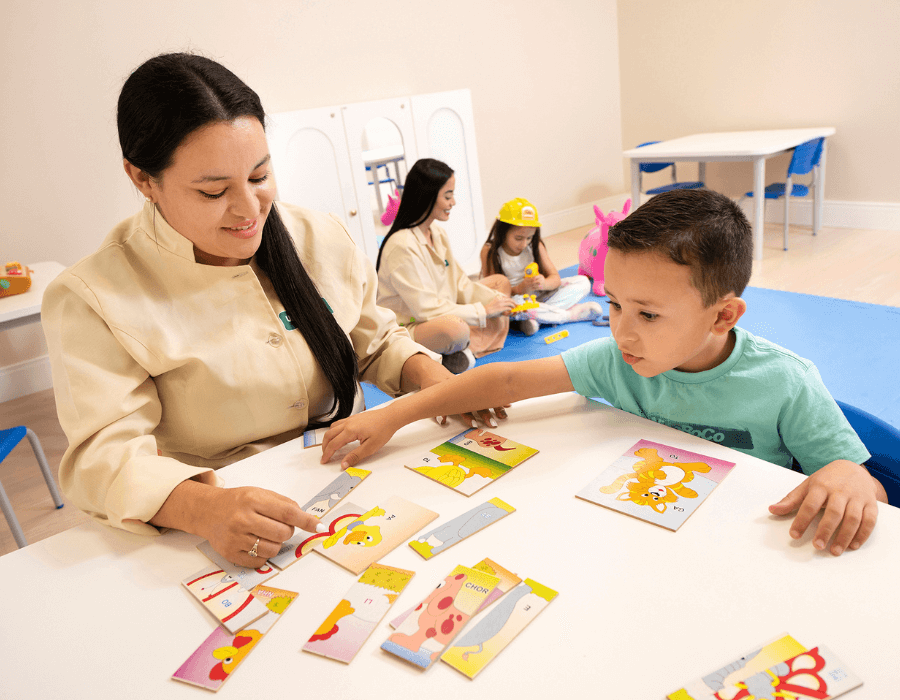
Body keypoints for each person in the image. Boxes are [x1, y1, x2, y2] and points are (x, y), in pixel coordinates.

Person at [41, 53, 495, 568]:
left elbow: (373, 342)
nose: (249, 209)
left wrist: (438, 384)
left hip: (354, 473)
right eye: (214, 191)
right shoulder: (94, 296)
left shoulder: (317, 236)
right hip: (222, 518)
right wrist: (203, 508)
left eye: (259, 176)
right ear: (143, 179)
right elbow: (103, 457)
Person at [323, 189, 887, 557]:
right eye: (614, 304)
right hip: (644, 541)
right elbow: (506, 382)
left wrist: (850, 477)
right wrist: (394, 414)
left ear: (724, 316)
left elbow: (862, 482)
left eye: (647, 314)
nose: (622, 331)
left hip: (746, 546)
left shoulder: (785, 381)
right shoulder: (620, 360)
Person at [376, 158, 516, 374]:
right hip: (410, 327)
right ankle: (474, 342)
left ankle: (462, 353)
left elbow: (460, 283)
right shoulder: (401, 246)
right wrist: (484, 311)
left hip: (443, 309)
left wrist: (493, 302)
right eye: (448, 196)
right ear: (428, 196)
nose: (453, 202)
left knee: (500, 284)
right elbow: (426, 309)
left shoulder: (437, 233)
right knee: (455, 329)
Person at [481, 197, 605, 336]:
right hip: (514, 300)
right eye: (518, 238)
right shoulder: (490, 251)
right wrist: (519, 288)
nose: (524, 244)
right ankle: (569, 315)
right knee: (513, 307)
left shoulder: (535, 246)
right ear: (503, 231)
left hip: (540, 297)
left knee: (583, 282)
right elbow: (490, 293)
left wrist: (544, 283)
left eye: (529, 238)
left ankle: (537, 318)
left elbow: (555, 279)